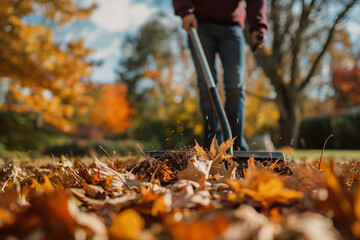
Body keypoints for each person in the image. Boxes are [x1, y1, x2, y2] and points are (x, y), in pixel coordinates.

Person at [172, 0, 268, 151]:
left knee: (235, 85)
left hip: (232, 26)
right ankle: (212, 146)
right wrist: (185, 11)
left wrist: (258, 26)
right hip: (199, 23)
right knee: (206, 84)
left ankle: (235, 147)